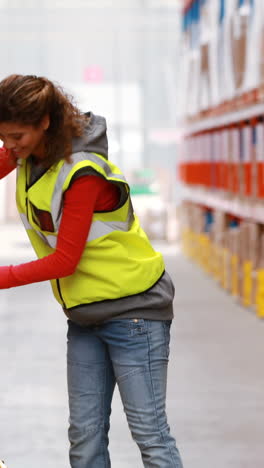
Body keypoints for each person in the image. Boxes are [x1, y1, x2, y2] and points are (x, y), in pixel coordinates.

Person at [0, 74, 184, 468]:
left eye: (16, 136)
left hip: (135, 314)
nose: (9, 146)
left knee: (150, 436)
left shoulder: (81, 172)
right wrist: (13, 149)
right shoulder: (28, 155)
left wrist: (3, 277)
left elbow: (65, 261)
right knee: (84, 439)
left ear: (44, 123)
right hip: (85, 315)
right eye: (3, 138)